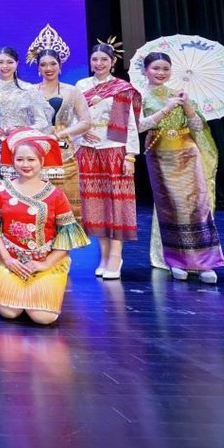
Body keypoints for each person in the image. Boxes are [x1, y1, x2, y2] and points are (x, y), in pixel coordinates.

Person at [0, 129, 90, 325]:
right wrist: (7, 259)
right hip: (10, 262)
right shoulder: (0, 191)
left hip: (44, 264)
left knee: (43, 317)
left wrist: (45, 264)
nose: (25, 164)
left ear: (41, 161)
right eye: (20, 159)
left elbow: (66, 238)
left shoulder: (56, 195)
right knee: (9, 313)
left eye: (31, 159)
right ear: (13, 161)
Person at [139, 51, 224, 284]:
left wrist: (187, 105)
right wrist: (165, 109)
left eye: (165, 69)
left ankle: (204, 262)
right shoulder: (139, 96)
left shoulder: (178, 93)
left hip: (188, 153)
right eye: (156, 68)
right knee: (171, 206)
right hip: (160, 156)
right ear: (145, 70)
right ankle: (176, 260)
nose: (161, 73)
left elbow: (197, 125)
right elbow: (139, 126)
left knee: (198, 205)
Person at [75, 41, 141, 279]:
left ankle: (116, 256)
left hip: (114, 148)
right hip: (88, 150)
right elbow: (72, 117)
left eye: (104, 59)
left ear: (113, 62)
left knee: (117, 204)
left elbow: (131, 123)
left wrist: (130, 156)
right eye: (95, 59)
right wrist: (81, 132)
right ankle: (103, 255)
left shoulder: (122, 88)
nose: (99, 63)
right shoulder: (81, 86)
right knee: (95, 204)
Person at [29, 33, 93, 220]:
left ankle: (66, 238)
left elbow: (86, 122)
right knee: (37, 204)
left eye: (53, 64)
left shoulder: (72, 91)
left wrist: (61, 134)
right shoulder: (29, 92)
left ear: (60, 65)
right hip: (35, 154)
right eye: (43, 65)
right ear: (38, 68)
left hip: (64, 155)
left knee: (66, 206)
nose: (48, 68)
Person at [0, 46, 50, 175]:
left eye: (10, 62)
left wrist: (20, 131)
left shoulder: (28, 89)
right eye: (0, 62)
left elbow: (42, 122)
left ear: (17, 63)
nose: (5, 66)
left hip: (21, 148)